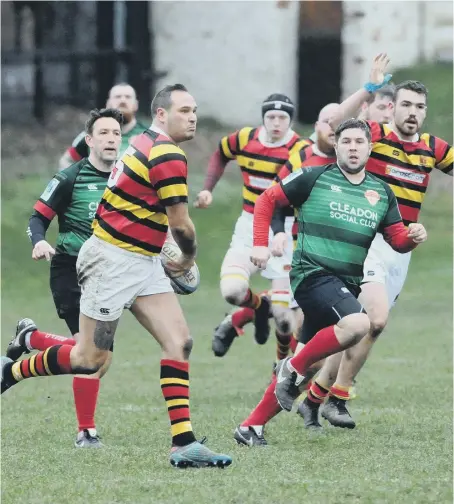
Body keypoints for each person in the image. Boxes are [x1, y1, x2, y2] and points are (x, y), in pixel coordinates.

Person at [1, 83, 232, 469]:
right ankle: (13, 370)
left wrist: (164, 252)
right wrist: (188, 258)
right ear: (161, 114)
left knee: (180, 341)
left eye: (194, 110)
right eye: (184, 110)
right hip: (110, 261)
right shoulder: (164, 154)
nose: (192, 117)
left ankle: (184, 443)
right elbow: (182, 225)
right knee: (90, 359)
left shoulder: (142, 142)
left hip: (142, 260)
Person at [233, 118, 427, 445]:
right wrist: (260, 243)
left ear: (369, 148)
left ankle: (251, 426)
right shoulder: (314, 176)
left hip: (344, 284)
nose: (353, 147)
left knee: (311, 365)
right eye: (346, 141)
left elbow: (396, 239)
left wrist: (413, 238)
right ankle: (288, 369)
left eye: (359, 142)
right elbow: (267, 199)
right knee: (357, 324)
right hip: (312, 274)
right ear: (335, 145)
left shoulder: (381, 192)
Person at [300, 53, 453, 429]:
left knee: (363, 323)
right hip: (365, 242)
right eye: (406, 104)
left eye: (420, 106)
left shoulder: (434, 148)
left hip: (401, 248)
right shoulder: (376, 137)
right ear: (391, 107)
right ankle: (338, 396)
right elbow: (335, 124)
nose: (413, 112)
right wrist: (368, 87)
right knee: (375, 320)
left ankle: (315, 397)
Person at [6, 108, 122, 447]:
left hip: (110, 274)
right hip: (71, 269)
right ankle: (86, 431)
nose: (111, 138)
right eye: (103, 133)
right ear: (89, 141)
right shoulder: (70, 177)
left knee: (97, 357)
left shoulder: (127, 179)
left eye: (115, 133)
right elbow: (37, 217)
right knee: (91, 358)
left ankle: (32, 339)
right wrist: (39, 240)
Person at [195, 94, 308, 360]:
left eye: (283, 118)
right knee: (232, 291)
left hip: (285, 230)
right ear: (263, 118)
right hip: (250, 224)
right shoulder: (244, 139)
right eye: (271, 117)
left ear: (290, 120)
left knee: (283, 319)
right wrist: (207, 189)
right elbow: (221, 153)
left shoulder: (300, 149)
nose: (276, 122)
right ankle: (258, 307)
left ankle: (280, 374)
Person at [230, 102, 339, 363]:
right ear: (317, 127)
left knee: (353, 322)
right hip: (305, 252)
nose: (334, 127)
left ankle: (321, 381)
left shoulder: (358, 161)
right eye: (328, 121)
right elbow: (273, 200)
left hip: (346, 254)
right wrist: (276, 234)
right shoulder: (302, 159)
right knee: (296, 323)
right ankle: (285, 370)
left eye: (340, 121)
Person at [59, 83, 146, 170]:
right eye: (117, 97)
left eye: (128, 97)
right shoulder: (91, 134)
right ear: (108, 103)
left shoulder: (149, 135)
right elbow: (67, 161)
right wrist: (75, 181)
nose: (122, 100)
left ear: (136, 104)